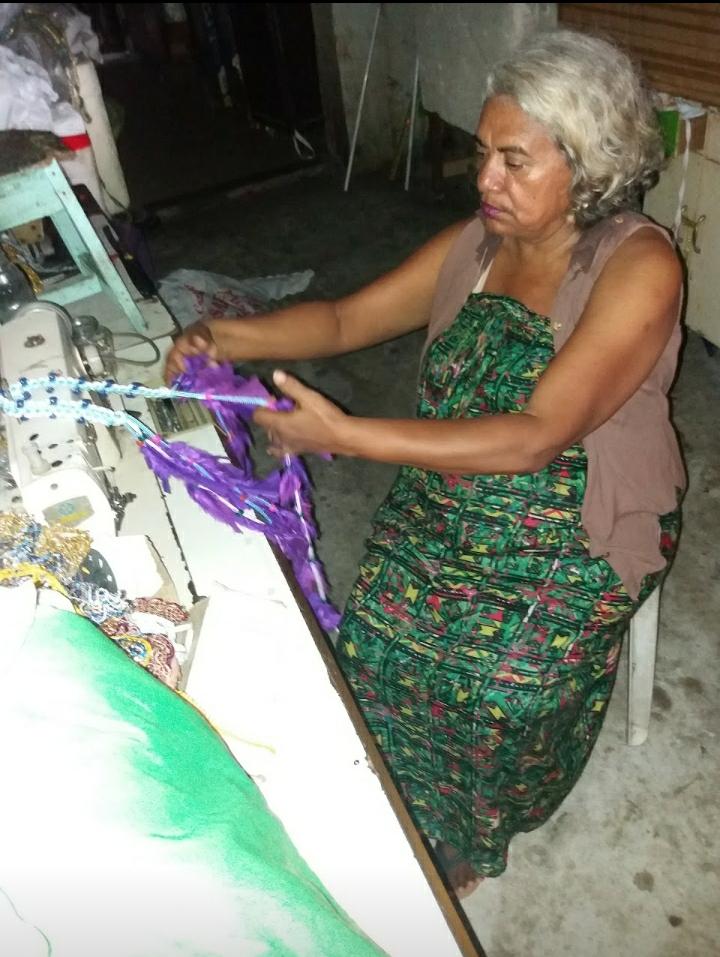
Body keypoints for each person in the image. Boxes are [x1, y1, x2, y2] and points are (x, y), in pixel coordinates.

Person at [165, 29, 685, 899]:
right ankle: (409, 792)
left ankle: (474, 830)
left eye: (514, 161)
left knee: (500, 684)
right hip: (458, 477)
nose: (486, 180)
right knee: (375, 634)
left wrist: (349, 435)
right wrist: (221, 336)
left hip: (582, 508)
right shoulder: (476, 247)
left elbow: (536, 435)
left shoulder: (639, 264)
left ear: (587, 164)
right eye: (483, 153)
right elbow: (342, 320)